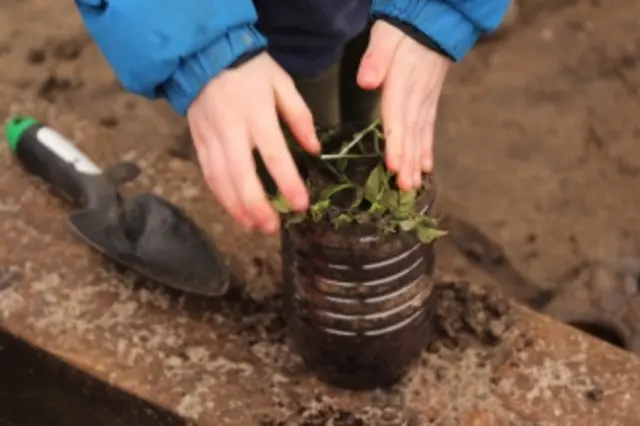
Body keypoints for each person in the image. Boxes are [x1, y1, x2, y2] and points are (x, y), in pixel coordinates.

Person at [75, 0, 513, 235]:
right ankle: (306, 224)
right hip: (263, 26)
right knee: (296, 148)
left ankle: (357, 170)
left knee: (367, 91)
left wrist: (439, 6)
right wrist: (203, 39)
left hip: (379, 13)